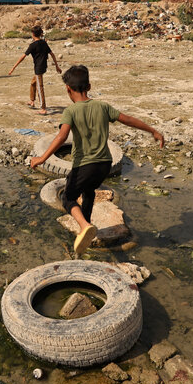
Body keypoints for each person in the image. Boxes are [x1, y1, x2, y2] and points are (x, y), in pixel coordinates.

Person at [30, 65, 164, 254]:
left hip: (84, 165)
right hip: (104, 165)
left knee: (68, 197)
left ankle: (84, 226)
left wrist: (42, 158)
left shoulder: (71, 111)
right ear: (89, 86)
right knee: (88, 192)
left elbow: (61, 137)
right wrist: (153, 131)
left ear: (68, 89)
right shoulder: (103, 106)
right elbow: (128, 119)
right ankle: (87, 229)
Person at [8, 26, 61, 115]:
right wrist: (56, 66)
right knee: (33, 83)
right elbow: (52, 54)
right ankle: (32, 101)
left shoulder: (32, 45)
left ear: (33, 34)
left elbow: (23, 57)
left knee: (40, 88)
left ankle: (43, 108)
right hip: (44, 67)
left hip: (39, 69)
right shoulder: (44, 43)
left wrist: (13, 67)